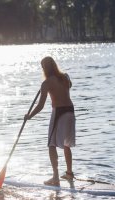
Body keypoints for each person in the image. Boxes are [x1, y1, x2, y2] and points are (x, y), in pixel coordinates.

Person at [25, 57, 76, 186]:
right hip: (70, 111)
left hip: (58, 113)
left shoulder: (46, 83)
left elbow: (41, 105)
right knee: (66, 144)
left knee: (51, 145)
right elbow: (70, 85)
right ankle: (69, 173)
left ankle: (55, 177)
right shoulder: (66, 77)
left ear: (46, 68)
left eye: (43, 67)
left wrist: (29, 116)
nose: (42, 69)